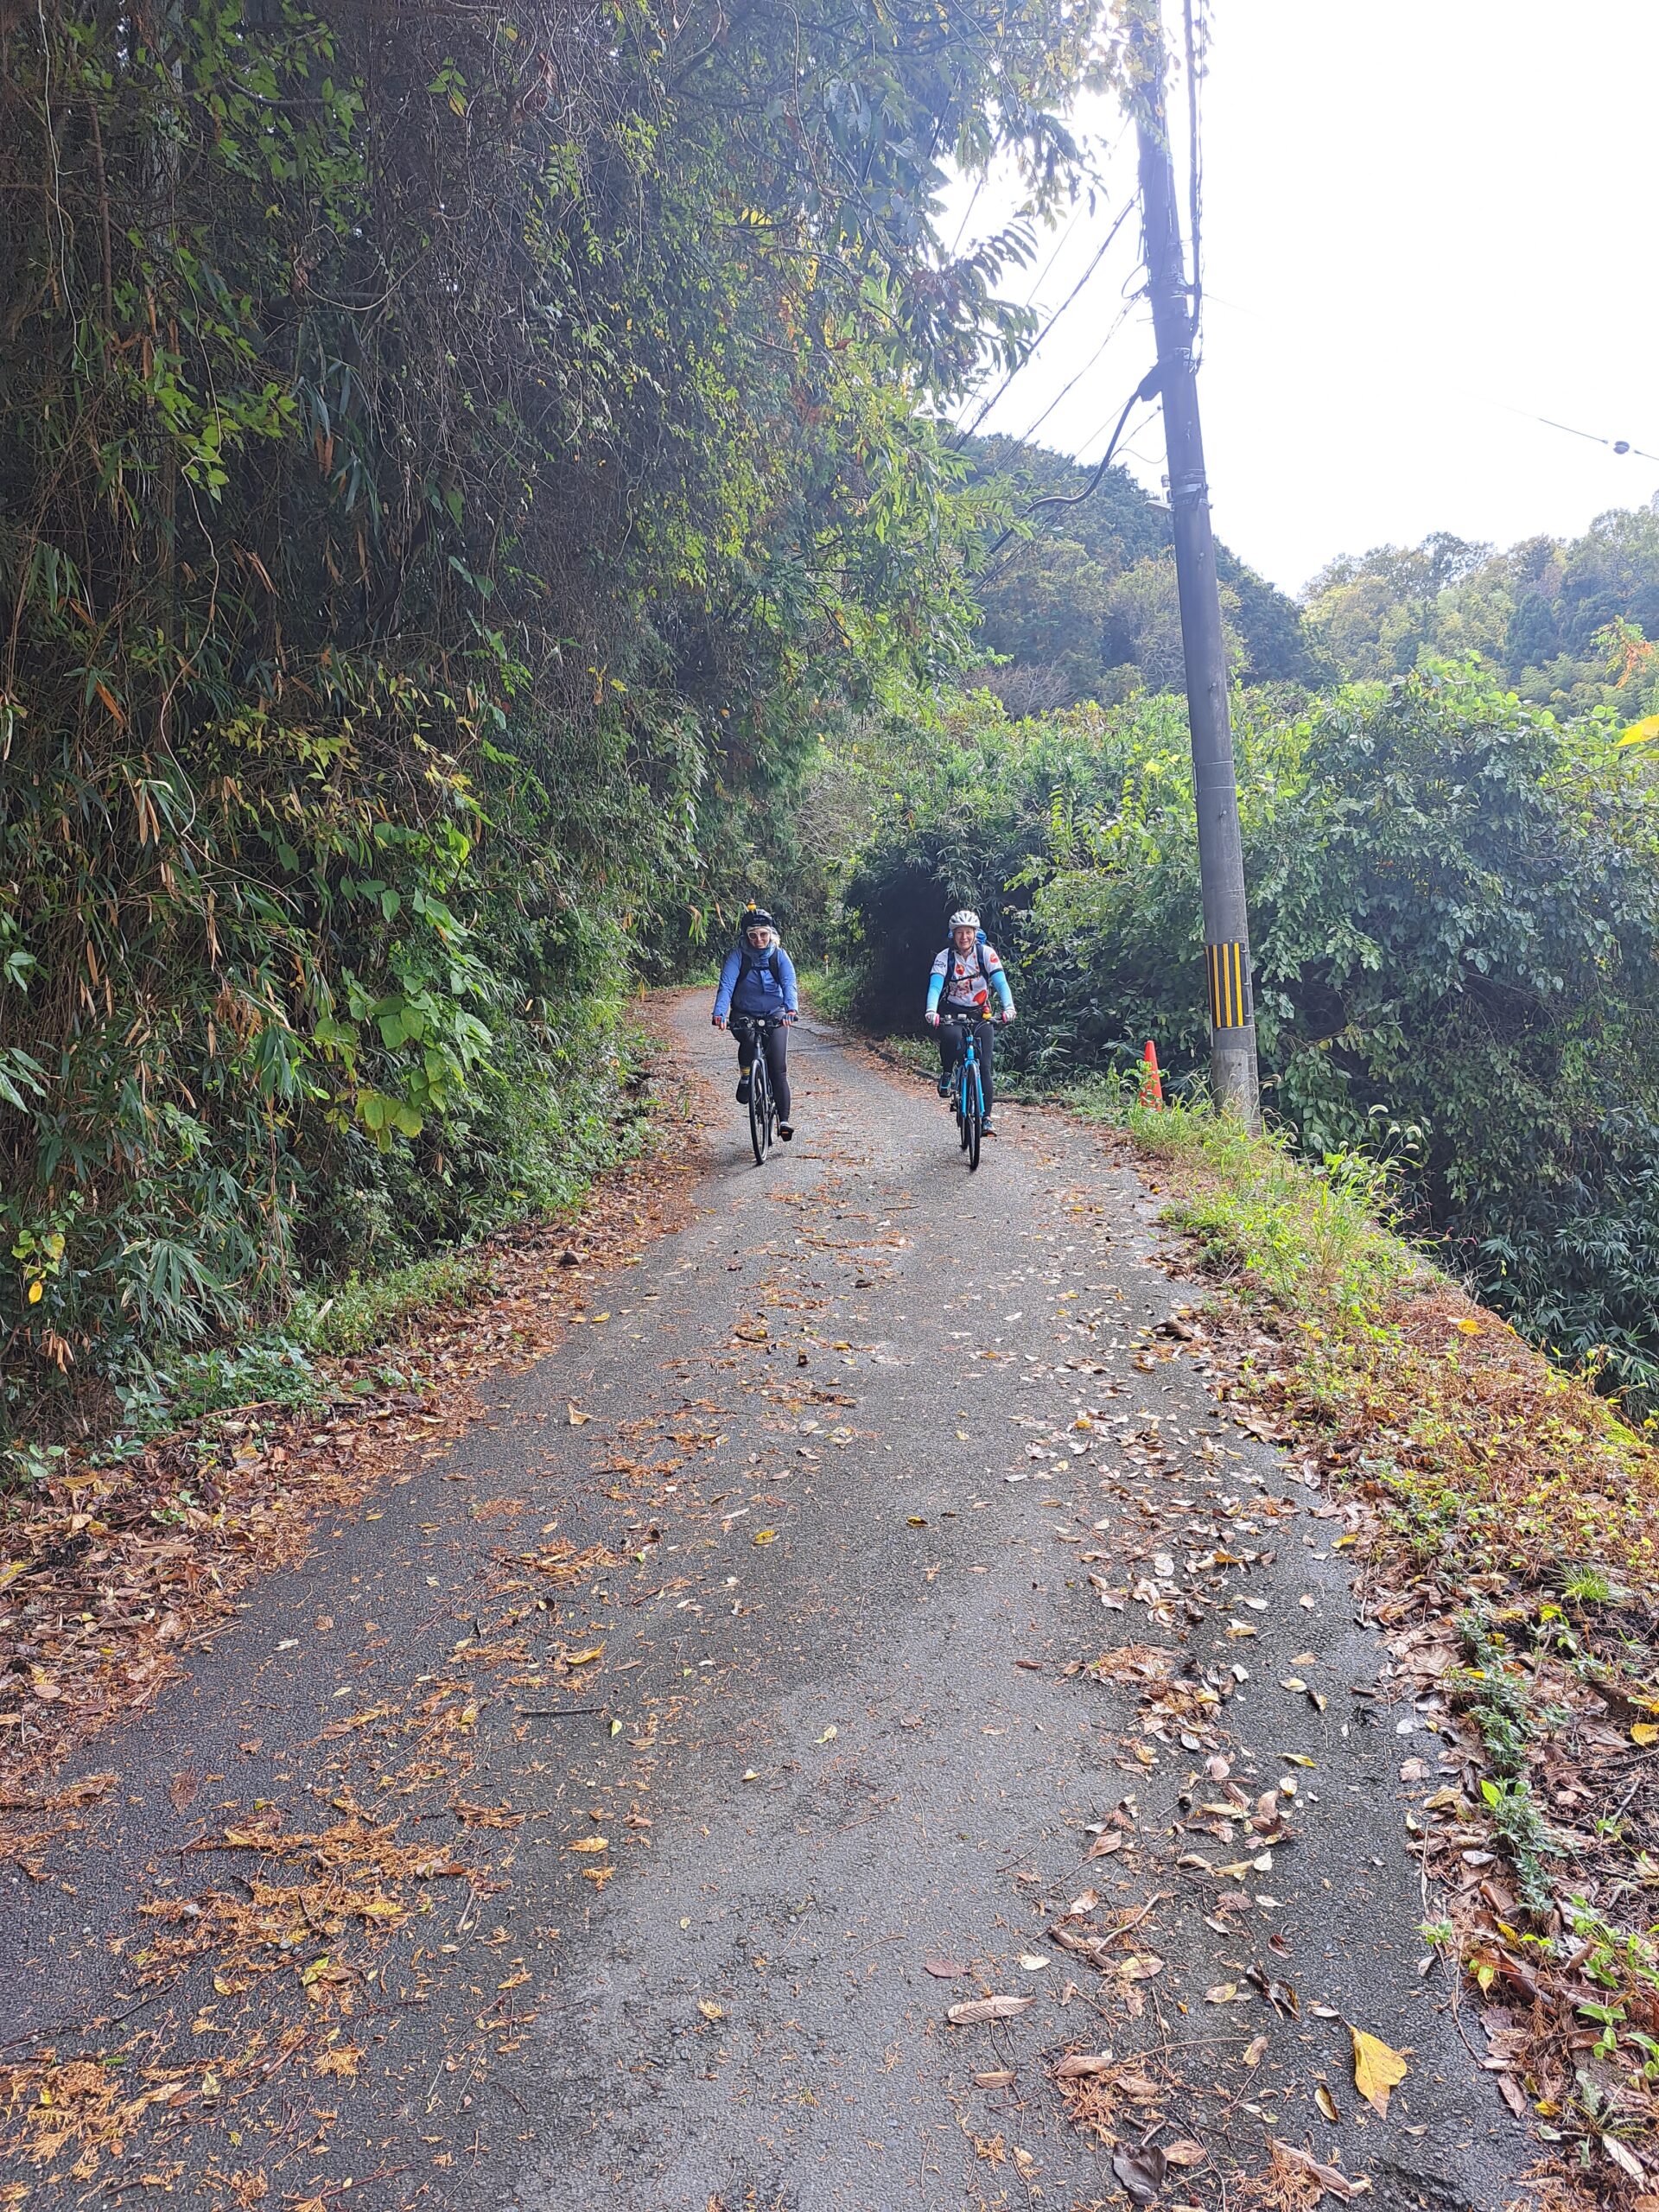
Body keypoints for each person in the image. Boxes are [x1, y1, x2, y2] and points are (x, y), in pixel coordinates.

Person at [712, 908, 799, 1140]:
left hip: (776, 1012)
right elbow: (727, 985)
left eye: (763, 934)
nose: (758, 940)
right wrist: (720, 1013)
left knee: (778, 1068)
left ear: (771, 934)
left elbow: (789, 982)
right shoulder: (738, 956)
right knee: (748, 1040)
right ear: (746, 936)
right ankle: (746, 1076)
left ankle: (784, 1121)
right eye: (753, 935)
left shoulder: (779, 955)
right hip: (744, 1012)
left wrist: (791, 1009)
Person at [926, 908, 1014, 1133]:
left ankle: (986, 1118)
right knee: (951, 1036)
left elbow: (1001, 983)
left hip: (981, 1013)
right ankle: (948, 1072)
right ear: (953, 936)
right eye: (959, 933)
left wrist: (1009, 1008)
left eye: (968, 932)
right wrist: (931, 1010)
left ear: (975, 933)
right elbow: (936, 985)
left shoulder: (986, 954)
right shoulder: (944, 958)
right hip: (953, 1012)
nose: (964, 937)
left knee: (984, 1066)